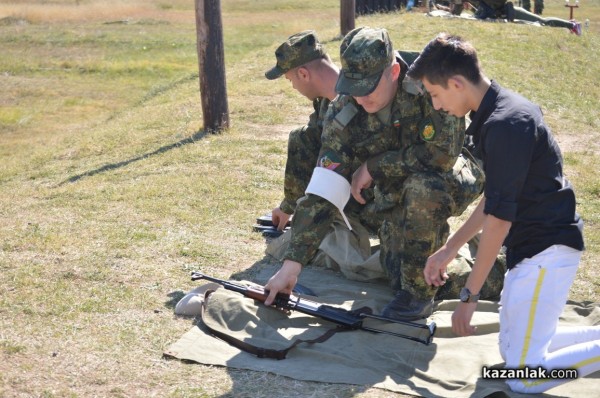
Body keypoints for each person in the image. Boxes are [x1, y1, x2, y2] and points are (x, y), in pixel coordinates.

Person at [264, 26, 501, 320]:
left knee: (422, 189)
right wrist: (292, 265)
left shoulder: (428, 84)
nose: (360, 99)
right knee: (398, 270)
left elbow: (441, 155)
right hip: (391, 186)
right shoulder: (344, 107)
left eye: (367, 88)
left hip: (451, 172)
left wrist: (374, 166)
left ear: (392, 72)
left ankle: (418, 295)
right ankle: (487, 271)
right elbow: (327, 181)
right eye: (353, 87)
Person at [408, 33, 600, 393]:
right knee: (511, 355)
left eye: (435, 94)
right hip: (531, 249)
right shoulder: (495, 114)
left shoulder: (505, 124)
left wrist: (469, 295)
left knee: (522, 380)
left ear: (456, 83)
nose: (435, 105)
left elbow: (499, 219)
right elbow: (494, 199)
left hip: (547, 251)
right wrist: (449, 249)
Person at [264, 30, 340, 231]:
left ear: (304, 74)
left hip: (371, 192)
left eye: (290, 80)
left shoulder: (360, 99)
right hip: (343, 182)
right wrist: (289, 205)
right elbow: (307, 142)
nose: (293, 87)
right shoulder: (326, 101)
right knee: (301, 136)